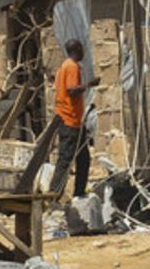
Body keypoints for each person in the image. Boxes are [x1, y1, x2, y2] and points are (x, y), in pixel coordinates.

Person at [51, 38, 99, 199]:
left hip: (76, 123)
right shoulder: (71, 67)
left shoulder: (63, 67)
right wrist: (89, 84)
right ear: (77, 49)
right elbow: (71, 90)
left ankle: (79, 192)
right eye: (82, 48)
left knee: (83, 159)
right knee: (65, 161)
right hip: (69, 121)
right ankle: (53, 195)